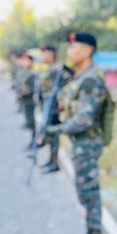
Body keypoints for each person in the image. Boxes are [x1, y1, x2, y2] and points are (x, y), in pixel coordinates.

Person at [47, 32, 109, 234]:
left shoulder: (91, 78)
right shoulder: (80, 76)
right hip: (80, 144)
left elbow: (85, 120)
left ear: (87, 51)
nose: (69, 52)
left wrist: (56, 129)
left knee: (90, 194)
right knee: (84, 192)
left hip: (88, 144)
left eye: (74, 48)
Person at [38, 45, 74, 173]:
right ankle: (51, 160)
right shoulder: (49, 69)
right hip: (48, 105)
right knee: (49, 134)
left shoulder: (59, 68)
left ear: (52, 54)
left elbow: (71, 78)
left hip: (54, 107)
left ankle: (54, 163)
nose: (43, 56)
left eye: (45, 54)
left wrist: (62, 96)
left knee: (53, 135)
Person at [18, 52, 37, 149]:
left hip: (31, 102)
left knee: (33, 124)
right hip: (26, 101)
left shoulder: (32, 74)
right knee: (30, 123)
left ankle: (34, 142)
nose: (23, 62)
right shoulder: (25, 72)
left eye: (26, 60)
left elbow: (34, 90)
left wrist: (24, 93)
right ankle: (33, 142)